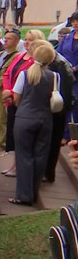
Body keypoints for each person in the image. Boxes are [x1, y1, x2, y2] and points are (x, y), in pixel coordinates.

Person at [8, 45, 56, 205]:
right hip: (45, 118)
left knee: (24, 156)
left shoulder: (24, 74)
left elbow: (16, 98)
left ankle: (23, 194)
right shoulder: (54, 76)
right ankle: (33, 192)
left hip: (25, 117)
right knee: (40, 156)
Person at [0, 33, 47, 174]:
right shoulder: (19, 56)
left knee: (22, 138)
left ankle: (20, 167)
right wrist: (7, 90)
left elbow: (30, 83)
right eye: (25, 39)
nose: (26, 42)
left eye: (30, 40)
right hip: (12, 100)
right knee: (14, 135)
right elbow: (7, 73)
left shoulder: (37, 62)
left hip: (23, 102)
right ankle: (14, 164)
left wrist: (13, 94)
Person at [46, 51, 76, 182]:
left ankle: (49, 172)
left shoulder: (59, 65)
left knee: (53, 142)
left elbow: (65, 91)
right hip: (56, 109)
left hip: (59, 109)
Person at [57, 11, 78, 140]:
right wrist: (65, 67)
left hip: (77, 76)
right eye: (74, 21)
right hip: (66, 75)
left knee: (76, 105)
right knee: (65, 104)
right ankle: (65, 135)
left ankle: (75, 135)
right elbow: (59, 53)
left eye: (77, 21)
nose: (76, 24)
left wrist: (76, 68)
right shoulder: (67, 38)